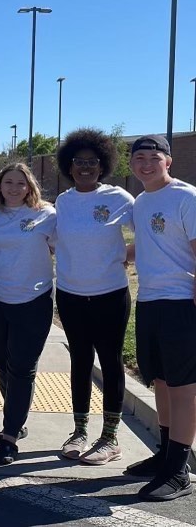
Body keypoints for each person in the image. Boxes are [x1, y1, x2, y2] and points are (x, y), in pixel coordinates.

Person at [54, 128, 134, 465]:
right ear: (69, 166)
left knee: (111, 361)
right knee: (80, 361)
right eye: (79, 162)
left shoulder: (119, 198)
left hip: (110, 295)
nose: (85, 167)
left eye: (92, 162)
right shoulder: (63, 200)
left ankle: (110, 437)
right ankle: (79, 431)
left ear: (102, 166)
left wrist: (127, 254)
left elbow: (147, 232)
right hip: (71, 295)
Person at [126, 135, 195, 501]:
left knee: (184, 388)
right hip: (150, 300)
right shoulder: (141, 201)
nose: (146, 164)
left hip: (181, 302)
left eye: (154, 157)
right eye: (139, 158)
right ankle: (165, 456)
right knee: (162, 382)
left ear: (168, 161)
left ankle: (179, 470)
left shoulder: (186, 197)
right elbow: (153, 244)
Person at [0, 163, 56, 465]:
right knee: (1, 359)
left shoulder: (47, 215)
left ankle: (9, 436)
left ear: (30, 187)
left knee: (23, 367)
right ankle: (16, 416)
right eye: (8, 182)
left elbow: (65, 249)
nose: (14, 188)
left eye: (20, 183)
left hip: (34, 299)